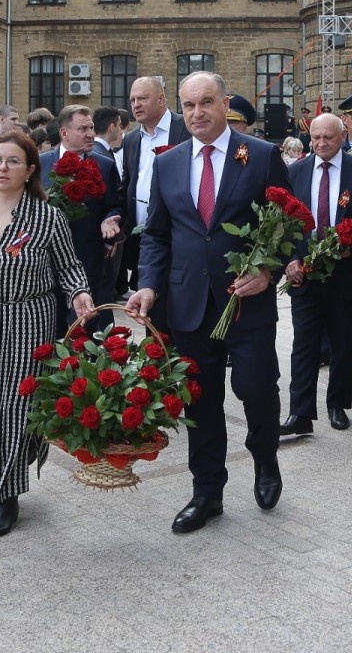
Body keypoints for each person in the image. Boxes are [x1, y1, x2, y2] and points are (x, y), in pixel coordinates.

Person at [125, 73, 291, 534]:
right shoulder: (169, 162)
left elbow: (290, 224)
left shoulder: (259, 156)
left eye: (207, 103)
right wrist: (149, 285)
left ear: (225, 103)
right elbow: (157, 234)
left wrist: (266, 270)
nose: (198, 113)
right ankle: (207, 492)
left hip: (246, 303)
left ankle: (265, 460)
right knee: (200, 400)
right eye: (189, 105)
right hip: (188, 303)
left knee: (257, 390)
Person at [0, 132, 95, 539]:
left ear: (30, 170)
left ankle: (5, 496)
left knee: (15, 404)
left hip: (29, 316)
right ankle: (16, 455)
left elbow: (68, 266)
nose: (2, 168)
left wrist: (80, 292)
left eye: (13, 161)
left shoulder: (46, 216)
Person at [279, 114, 352, 435]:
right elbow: (281, 224)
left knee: (342, 344)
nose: (321, 144)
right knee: (304, 345)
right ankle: (300, 412)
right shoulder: (294, 172)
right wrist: (289, 260)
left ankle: (337, 405)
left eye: (328, 137)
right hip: (305, 275)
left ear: (342, 136)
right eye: (316, 138)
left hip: (347, 274)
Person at [38, 105, 123, 331]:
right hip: (47, 265)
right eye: (83, 129)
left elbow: (115, 205)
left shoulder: (104, 165)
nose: (91, 134)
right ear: (64, 133)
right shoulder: (41, 164)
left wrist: (111, 219)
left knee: (91, 330)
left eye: (92, 128)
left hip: (89, 261)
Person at [121, 76, 190, 329]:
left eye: (142, 98)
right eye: (132, 100)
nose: (136, 105)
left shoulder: (186, 128)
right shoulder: (131, 139)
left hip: (181, 237)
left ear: (161, 99)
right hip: (144, 240)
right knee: (152, 315)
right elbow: (128, 184)